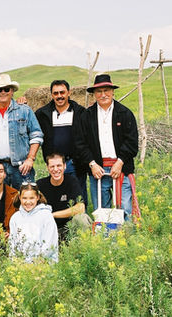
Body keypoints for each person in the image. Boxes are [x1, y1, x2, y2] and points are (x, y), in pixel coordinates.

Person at [75, 73, 139, 220]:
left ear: (112, 91)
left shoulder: (124, 113)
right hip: (98, 168)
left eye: (106, 90)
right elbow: (80, 143)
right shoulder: (87, 116)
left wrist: (120, 162)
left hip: (121, 167)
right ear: (94, 94)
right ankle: (103, 239)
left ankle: (126, 238)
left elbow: (132, 142)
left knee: (125, 208)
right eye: (99, 91)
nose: (103, 95)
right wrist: (92, 164)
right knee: (101, 210)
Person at [0, 74, 43, 189]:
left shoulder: (25, 111)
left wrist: (30, 159)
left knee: (25, 203)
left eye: (6, 89)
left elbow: (36, 136)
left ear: (12, 91)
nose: (2, 92)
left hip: (21, 167)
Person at [35, 80, 88, 205]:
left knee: (78, 198)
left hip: (75, 163)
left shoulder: (80, 112)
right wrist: (23, 104)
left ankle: (80, 223)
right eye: (56, 93)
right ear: (52, 95)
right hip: (55, 164)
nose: (59, 96)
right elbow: (30, 126)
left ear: (69, 93)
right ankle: (57, 222)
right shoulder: (43, 114)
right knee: (57, 196)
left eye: (62, 92)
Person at [37, 153, 92, 239]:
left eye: (59, 165)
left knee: (82, 219)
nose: (56, 169)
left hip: (69, 228)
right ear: (47, 168)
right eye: (52, 166)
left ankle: (83, 248)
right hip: (48, 229)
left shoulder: (71, 181)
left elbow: (81, 208)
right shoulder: (40, 184)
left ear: (64, 166)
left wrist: (54, 215)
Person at [9, 183, 58, 263]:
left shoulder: (46, 216)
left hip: (44, 264)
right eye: (24, 198)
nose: (28, 202)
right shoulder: (15, 218)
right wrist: (16, 262)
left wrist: (36, 263)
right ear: (19, 197)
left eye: (32, 198)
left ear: (37, 197)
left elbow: (49, 245)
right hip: (21, 265)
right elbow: (12, 245)